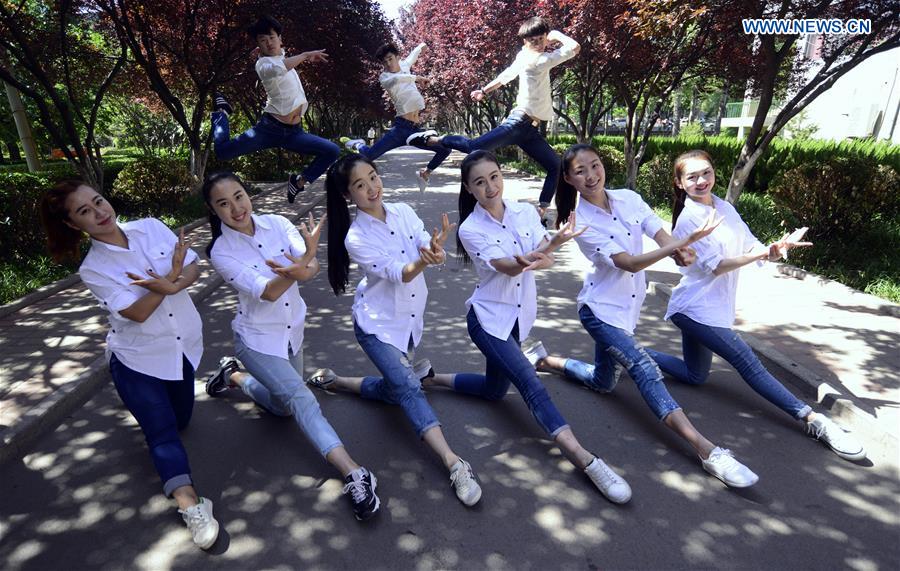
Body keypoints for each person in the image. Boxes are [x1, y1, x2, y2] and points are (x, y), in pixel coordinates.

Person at [532, 144, 759, 488]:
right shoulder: (581, 224)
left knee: (603, 381)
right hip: (599, 312)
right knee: (642, 368)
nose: (591, 175)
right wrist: (680, 244)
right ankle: (708, 451)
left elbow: (657, 230)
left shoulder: (628, 198)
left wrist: (680, 249)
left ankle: (548, 361)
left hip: (628, 310)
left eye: (595, 165)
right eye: (580, 171)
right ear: (568, 178)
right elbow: (629, 263)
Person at [436, 149, 633, 504]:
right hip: (488, 321)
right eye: (479, 182)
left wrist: (552, 243)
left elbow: (545, 257)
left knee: (495, 391)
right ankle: (585, 459)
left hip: (518, 317)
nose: (490, 187)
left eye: (494, 177)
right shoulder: (470, 229)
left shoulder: (525, 212)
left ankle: (432, 378)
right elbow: (509, 266)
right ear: (468, 188)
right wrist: (538, 252)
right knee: (530, 383)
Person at [39, 180, 219, 549]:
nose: (100, 213)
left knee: (181, 419)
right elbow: (137, 312)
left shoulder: (151, 227)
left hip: (182, 346)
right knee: (162, 431)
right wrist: (169, 280)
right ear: (74, 225)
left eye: (98, 201)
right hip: (138, 358)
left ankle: (226, 378)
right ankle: (192, 506)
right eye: (85, 212)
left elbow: (193, 266)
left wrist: (173, 280)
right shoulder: (94, 269)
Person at [658, 149, 866, 461]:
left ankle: (631, 354)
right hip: (695, 309)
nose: (701, 181)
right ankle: (814, 421)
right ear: (679, 183)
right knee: (749, 362)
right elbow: (717, 266)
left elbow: (750, 243)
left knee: (695, 375)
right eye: (692, 176)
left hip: (714, 307)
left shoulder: (723, 206)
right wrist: (758, 255)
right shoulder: (688, 219)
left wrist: (772, 249)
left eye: (706, 173)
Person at [201, 171, 380, 521]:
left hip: (292, 330)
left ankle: (234, 378)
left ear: (246, 192)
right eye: (223, 203)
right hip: (257, 340)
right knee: (301, 398)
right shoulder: (221, 251)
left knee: (284, 408)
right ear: (213, 209)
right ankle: (355, 472)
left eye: (239, 196)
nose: (236, 208)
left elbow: (310, 267)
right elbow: (267, 291)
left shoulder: (277, 223)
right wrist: (299, 266)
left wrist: (305, 262)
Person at [310, 153, 483, 507]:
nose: (372, 187)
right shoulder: (355, 238)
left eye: (373, 177)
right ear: (348, 194)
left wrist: (434, 250)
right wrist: (424, 260)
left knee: (394, 389)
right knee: (407, 389)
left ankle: (339, 382)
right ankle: (454, 463)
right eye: (360, 184)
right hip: (377, 327)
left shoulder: (403, 210)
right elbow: (400, 272)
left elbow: (425, 243)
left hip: (408, 323)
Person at [416, 17, 579, 215]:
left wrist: (483, 91)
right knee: (473, 147)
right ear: (525, 41)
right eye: (532, 40)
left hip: (529, 130)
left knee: (556, 166)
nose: (537, 44)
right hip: (519, 123)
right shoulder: (541, 60)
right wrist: (555, 36)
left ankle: (542, 209)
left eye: (540, 38)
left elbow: (506, 75)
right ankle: (434, 138)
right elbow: (575, 47)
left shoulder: (523, 55)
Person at [210, 15, 340, 204]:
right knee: (223, 152)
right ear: (258, 46)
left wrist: (298, 57)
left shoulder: (285, 60)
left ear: (280, 39)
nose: (268, 43)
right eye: (263, 40)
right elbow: (278, 68)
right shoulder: (263, 64)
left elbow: (283, 64)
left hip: (295, 132)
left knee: (332, 151)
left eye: (272, 37)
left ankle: (298, 182)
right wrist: (304, 55)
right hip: (269, 129)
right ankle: (221, 114)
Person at [342, 42, 451, 193]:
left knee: (445, 150)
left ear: (397, 57)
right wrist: (416, 78)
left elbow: (413, 56)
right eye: (385, 61)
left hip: (414, 130)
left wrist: (421, 46)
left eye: (390, 59)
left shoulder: (405, 66)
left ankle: (424, 174)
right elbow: (397, 80)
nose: (388, 63)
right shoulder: (384, 77)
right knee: (369, 155)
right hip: (401, 129)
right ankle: (358, 144)